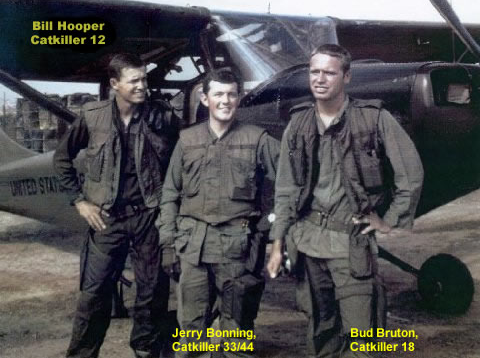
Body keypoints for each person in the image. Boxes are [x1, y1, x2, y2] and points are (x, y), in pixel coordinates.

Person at [267, 44, 424, 358]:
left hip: (350, 247)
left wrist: (388, 220)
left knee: (362, 338)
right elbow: (285, 188)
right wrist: (277, 243)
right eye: (315, 71)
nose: (320, 79)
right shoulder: (297, 123)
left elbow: (411, 173)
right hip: (308, 245)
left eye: (329, 72)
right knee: (321, 332)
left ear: (347, 77)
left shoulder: (373, 119)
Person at [54, 53, 179, 358]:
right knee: (93, 296)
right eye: (134, 80)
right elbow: (61, 160)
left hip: (149, 218)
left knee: (151, 296)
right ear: (114, 84)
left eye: (144, 79)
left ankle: (146, 352)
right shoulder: (92, 117)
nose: (142, 86)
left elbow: (181, 164)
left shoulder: (162, 117)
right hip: (106, 220)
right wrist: (80, 201)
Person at [159, 68, 279, 358]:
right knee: (191, 333)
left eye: (232, 94)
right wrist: (167, 243)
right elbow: (170, 194)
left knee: (236, 334)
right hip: (193, 248)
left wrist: (269, 225)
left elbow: (291, 182)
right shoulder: (187, 141)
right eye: (218, 94)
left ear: (239, 98)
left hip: (237, 250)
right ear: (205, 98)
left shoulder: (257, 139)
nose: (225, 101)